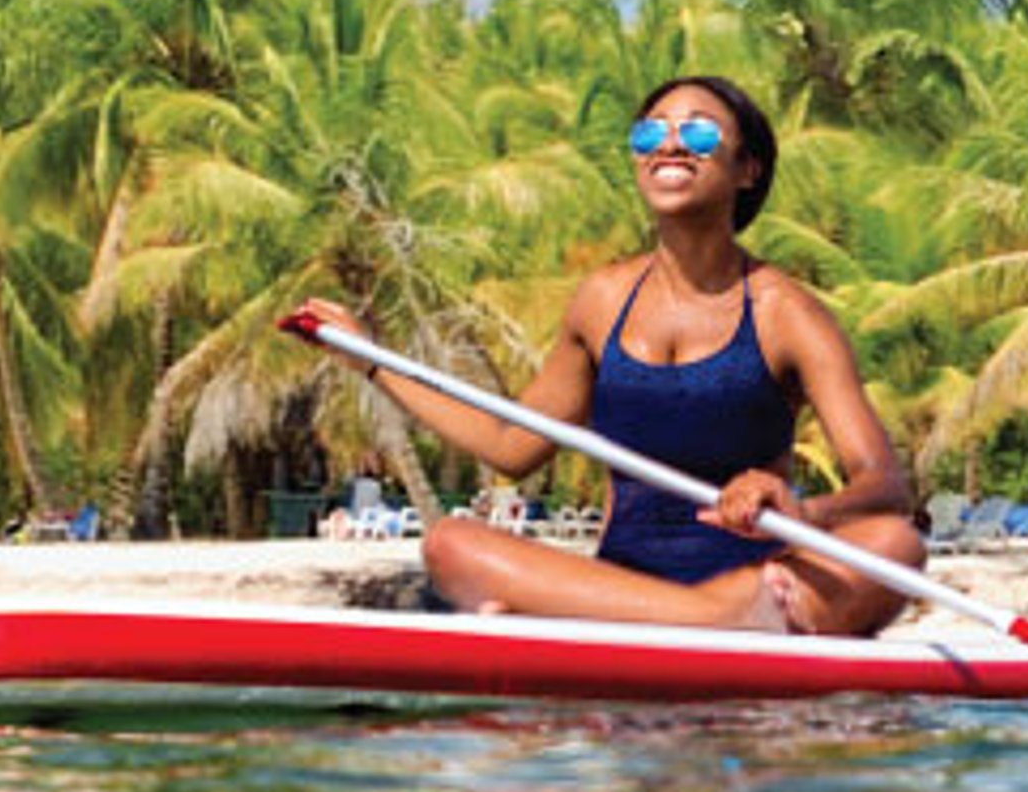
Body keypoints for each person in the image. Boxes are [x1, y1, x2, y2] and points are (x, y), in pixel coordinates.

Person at [317, 75, 926, 633]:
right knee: (451, 541)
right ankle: (712, 621)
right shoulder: (603, 299)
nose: (669, 145)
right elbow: (511, 445)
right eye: (649, 132)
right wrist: (372, 361)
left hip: (761, 577)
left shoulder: (785, 313)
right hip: (627, 586)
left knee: (896, 543)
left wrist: (802, 507)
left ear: (747, 169)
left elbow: (883, 484)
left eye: (697, 131)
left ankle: (688, 615)